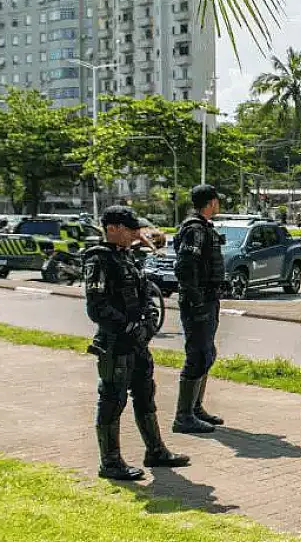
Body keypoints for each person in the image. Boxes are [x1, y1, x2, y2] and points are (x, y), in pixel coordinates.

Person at [85, 206, 190, 480]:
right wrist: (128, 327)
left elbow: (146, 294)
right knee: (112, 399)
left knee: (145, 393)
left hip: (138, 343)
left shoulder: (127, 257)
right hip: (115, 343)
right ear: (112, 229)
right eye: (129, 229)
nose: (135, 234)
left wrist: (149, 323)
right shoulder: (99, 260)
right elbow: (97, 307)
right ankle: (110, 462)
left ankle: (155, 451)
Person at [173, 184, 226, 434]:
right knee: (197, 355)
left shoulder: (204, 227)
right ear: (211, 202)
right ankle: (183, 416)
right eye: (217, 201)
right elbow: (185, 268)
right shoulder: (194, 229)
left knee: (207, 354)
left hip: (208, 298)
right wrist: (196, 302)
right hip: (198, 302)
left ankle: (194, 408)